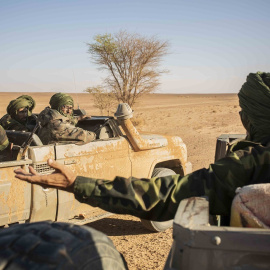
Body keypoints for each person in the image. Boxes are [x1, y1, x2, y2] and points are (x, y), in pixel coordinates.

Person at [14, 72, 270, 221]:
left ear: (249, 118)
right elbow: (80, 136)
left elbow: (165, 196)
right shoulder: (253, 161)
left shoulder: (252, 161)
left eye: (243, 111)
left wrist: (77, 184)